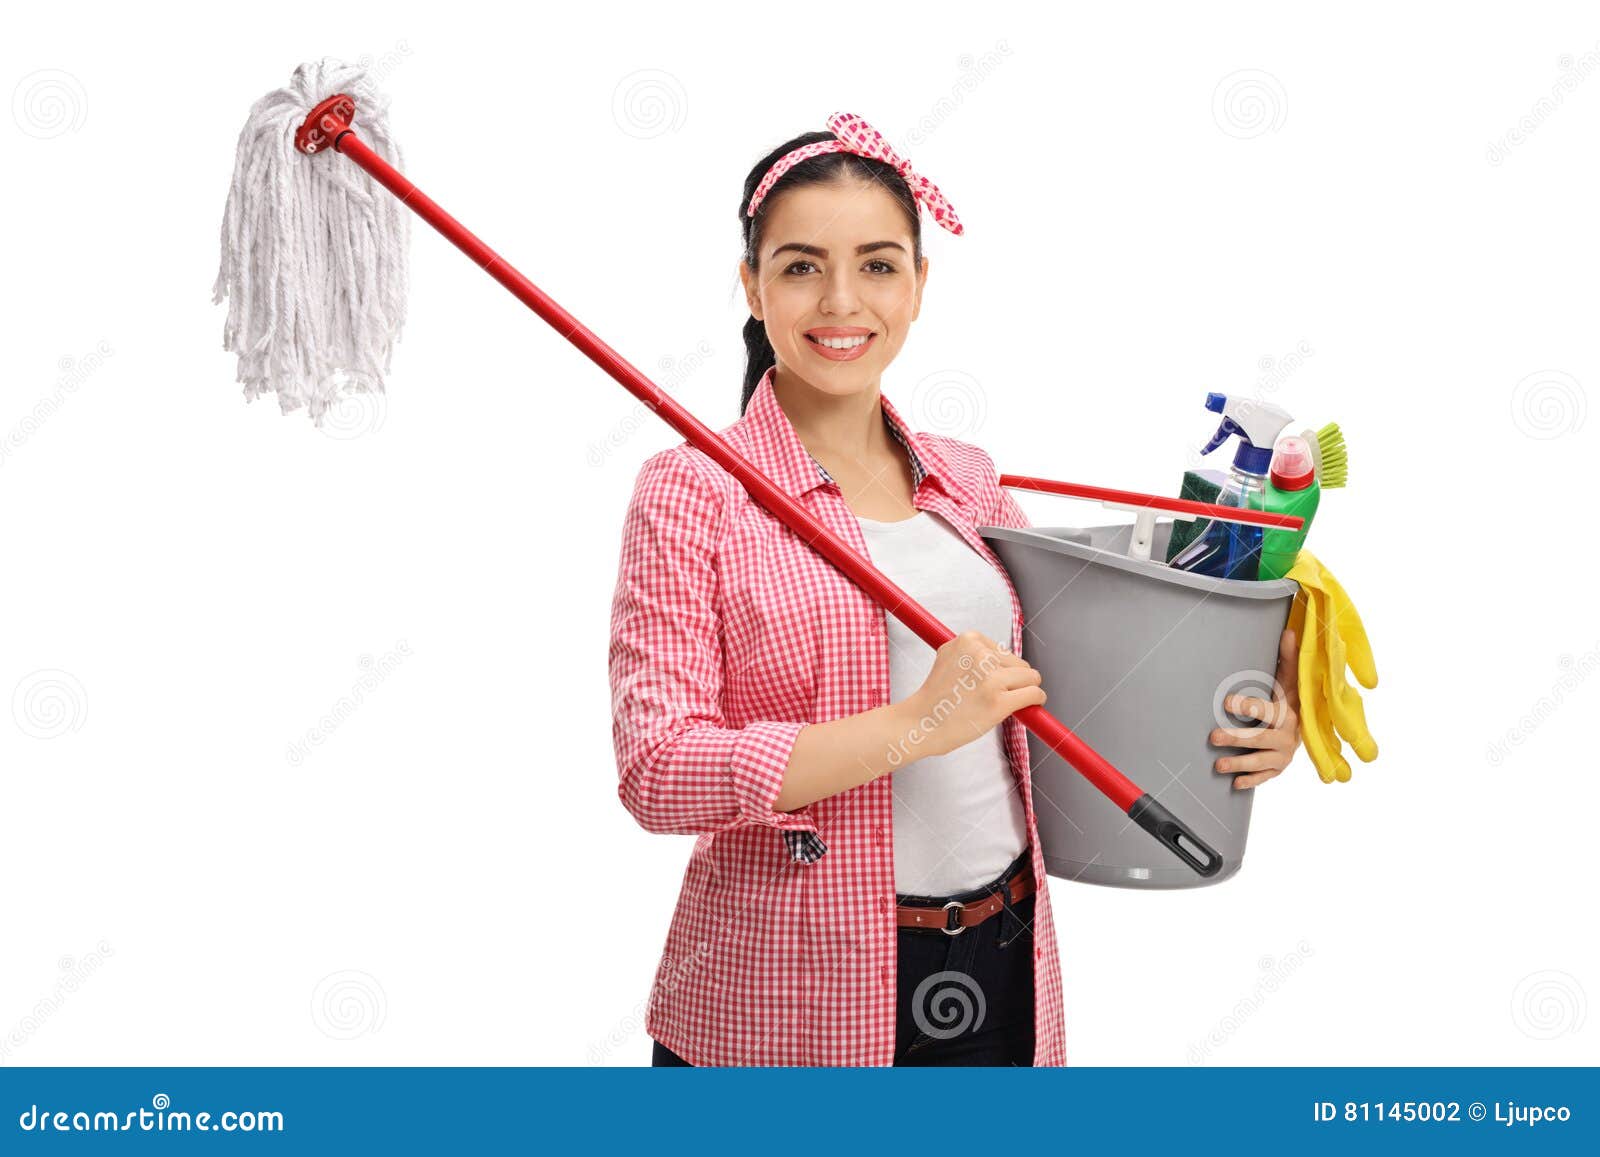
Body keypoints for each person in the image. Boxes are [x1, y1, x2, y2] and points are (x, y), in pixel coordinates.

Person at [608, 114, 1304, 1067]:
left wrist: (1242, 720)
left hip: (1002, 961)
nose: (842, 300)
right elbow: (659, 769)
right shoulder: (693, 492)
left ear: (920, 285)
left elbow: (1081, 684)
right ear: (751, 285)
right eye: (802, 265)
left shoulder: (970, 481)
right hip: (793, 996)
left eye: (879, 265)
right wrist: (915, 724)